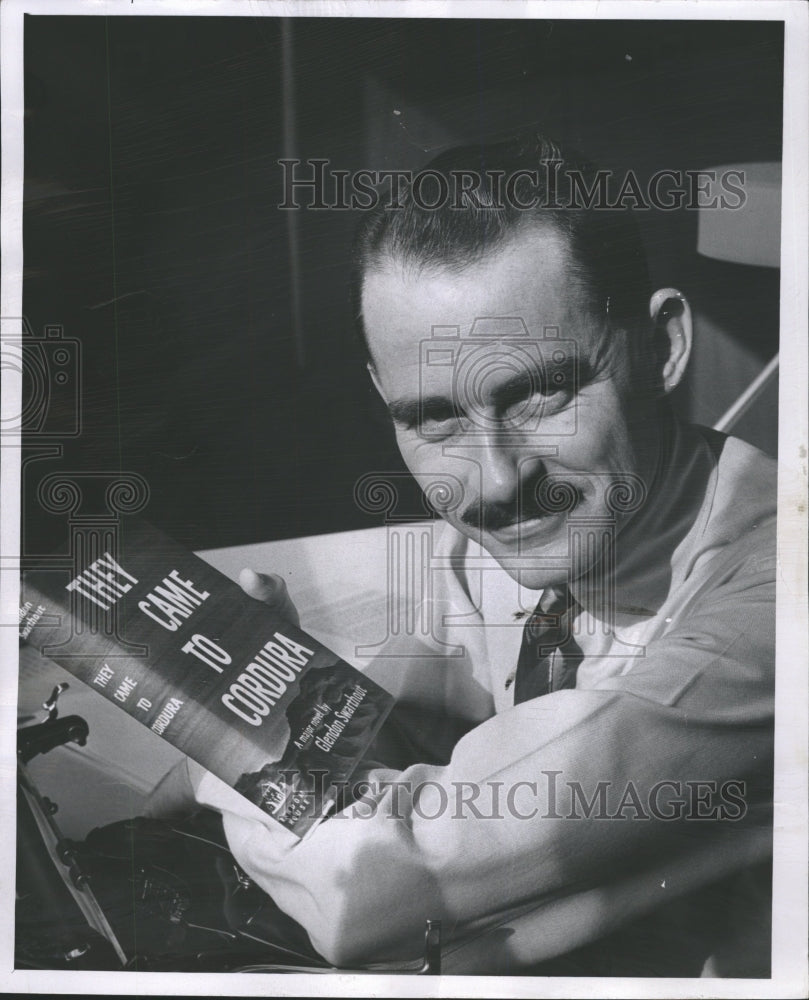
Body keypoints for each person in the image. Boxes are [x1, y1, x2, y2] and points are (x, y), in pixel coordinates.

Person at [146, 135, 776, 976]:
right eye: (431, 418)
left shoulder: (772, 612)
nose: (493, 481)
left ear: (659, 348)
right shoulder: (502, 548)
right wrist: (273, 678)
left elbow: (362, 896)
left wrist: (224, 729)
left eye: (541, 392)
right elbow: (384, 727)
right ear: (385, 399)